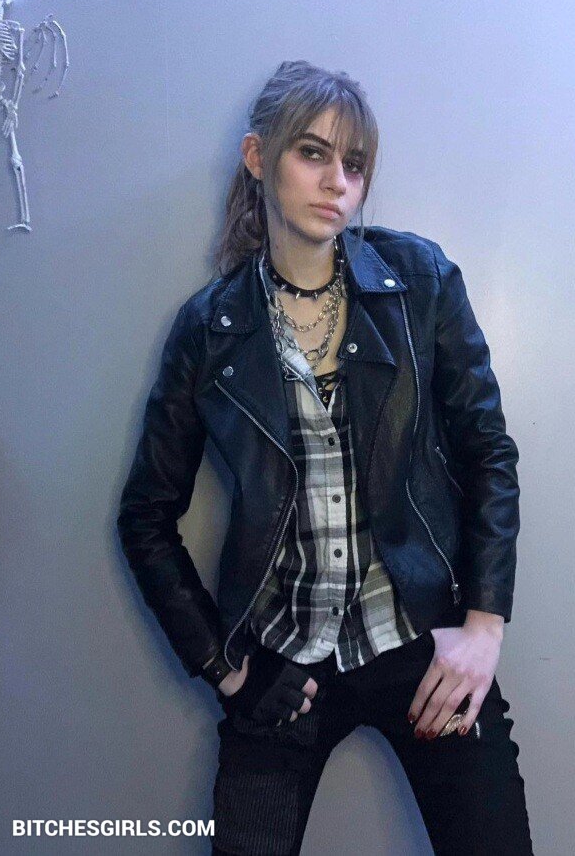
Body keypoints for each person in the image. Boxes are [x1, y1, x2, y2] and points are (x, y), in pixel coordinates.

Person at [117, 59, 534, 855]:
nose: (336, 181)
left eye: (354, 163)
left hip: (420, 645)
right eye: (312, 153)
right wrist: (230, 670)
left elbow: (488, 451)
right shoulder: (209, 330)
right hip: (283, 666)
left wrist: (482, 626)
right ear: (258, 157)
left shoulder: (420, 282)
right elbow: (145, 517)